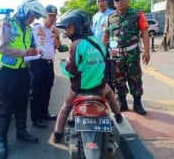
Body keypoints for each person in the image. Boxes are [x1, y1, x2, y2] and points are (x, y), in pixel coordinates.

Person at [52, 9, 122, 143]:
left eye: (69, 27)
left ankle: (57, 134)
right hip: (99, 87)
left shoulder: (76, 44)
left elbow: (70, 71)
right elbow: (104, 60)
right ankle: (118, 115)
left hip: (79, 89)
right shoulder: (98, 41)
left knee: (65, 107)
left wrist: (62, 65)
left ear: (78, 26)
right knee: (111, 95)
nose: (66, 31)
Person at [0, 0, 46, 159]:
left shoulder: (29, 29)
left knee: (22, 103)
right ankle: (2, 141)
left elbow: (31, 46)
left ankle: (21, 132)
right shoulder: (7, 24)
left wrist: (37, 51)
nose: (34, 19)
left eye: (36, 16)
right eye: (32, 15)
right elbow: (2, 48)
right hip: (7, 72)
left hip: (23, 71)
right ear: (24, 10)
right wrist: (25, 53)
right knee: (5, 107)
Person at [103, 0, 150, 115]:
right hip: (116, 56)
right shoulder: (109, 18)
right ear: (114, 1)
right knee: (118, 79)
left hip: (132, 55)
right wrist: (102, 52)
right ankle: (122, 102)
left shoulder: (137, 14)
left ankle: (137, 103)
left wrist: (147, 51)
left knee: (135, 79)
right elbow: (106, 35)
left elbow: (145, 32)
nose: (120, 1)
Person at [29, 4, 61, 128]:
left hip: (49, 63)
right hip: (37, 63)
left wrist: (56, 35)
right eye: (50, 16)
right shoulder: (36, 28)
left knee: (47, 89)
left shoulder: (54, 29)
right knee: (36, 91)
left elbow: (58, 47)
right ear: (44, 16)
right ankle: (36, 118)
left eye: (54, 16)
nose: (52, 19)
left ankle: (44, 113)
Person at [92, 0, 115, 90]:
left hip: (109, 48)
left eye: (102, 1)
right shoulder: (95, 16)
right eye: (98, 1)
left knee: (109, 74)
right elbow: (93, 32)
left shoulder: (112, 14)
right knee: (99, 73)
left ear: (107, 2)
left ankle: (112, 96)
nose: (100, 3)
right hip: (97, 49)